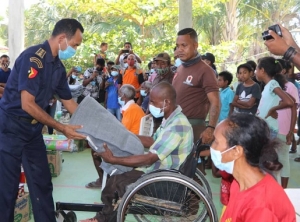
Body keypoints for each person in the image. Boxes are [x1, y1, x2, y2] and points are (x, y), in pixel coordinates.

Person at [0, 18, 86, 222]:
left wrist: (94, 128)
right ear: (62, 38)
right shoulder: (34, 58)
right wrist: (61, 127)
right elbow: (27, 104)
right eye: (75, 45)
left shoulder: (58, 67)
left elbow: (70, 103)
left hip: (32, 132)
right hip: (10, 129)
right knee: (7, 189)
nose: (75, 49)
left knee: (42, 184)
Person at [80, 82, 193, 222]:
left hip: (163, 177)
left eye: (153, 101)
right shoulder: (171, 119)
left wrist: (113, 159)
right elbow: (152, 141)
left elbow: (150, 159)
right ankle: (106, 214)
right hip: (159, 169)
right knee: (117, 178)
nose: (149, 104)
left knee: (117, 183)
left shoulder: (177, 126)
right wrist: (123, 135)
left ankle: (101, 219)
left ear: (167, 102)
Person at [212, 113, 295, 222]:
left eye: (216, 142)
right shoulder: (238, 184)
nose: (212, 147)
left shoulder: (260, 206)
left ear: (236, 151)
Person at [173, 28, 220, 146]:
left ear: (195, 45)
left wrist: (211, 128)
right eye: (178, 46)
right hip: (175, 124)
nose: (180, 50)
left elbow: (215, 102)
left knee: (191, 163)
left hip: (192, 126)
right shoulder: (180, 68)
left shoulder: (206, 70)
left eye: (184, 45)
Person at [273, 59, 298, 188]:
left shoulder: (290, 87)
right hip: (271, 129)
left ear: (283, 71)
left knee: (283, 159)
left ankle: (283, 190)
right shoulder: (269, 86)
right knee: (271, 160)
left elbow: (294, 108)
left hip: (283, 128)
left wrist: (290, 131)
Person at [256, 57, 294, 139]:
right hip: (265, 128)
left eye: (256, 69)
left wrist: (272, 109)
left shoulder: (273, 83)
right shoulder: (268, 85)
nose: (255, 72)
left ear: (262, 70)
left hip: (269, 129)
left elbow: (289, 102)